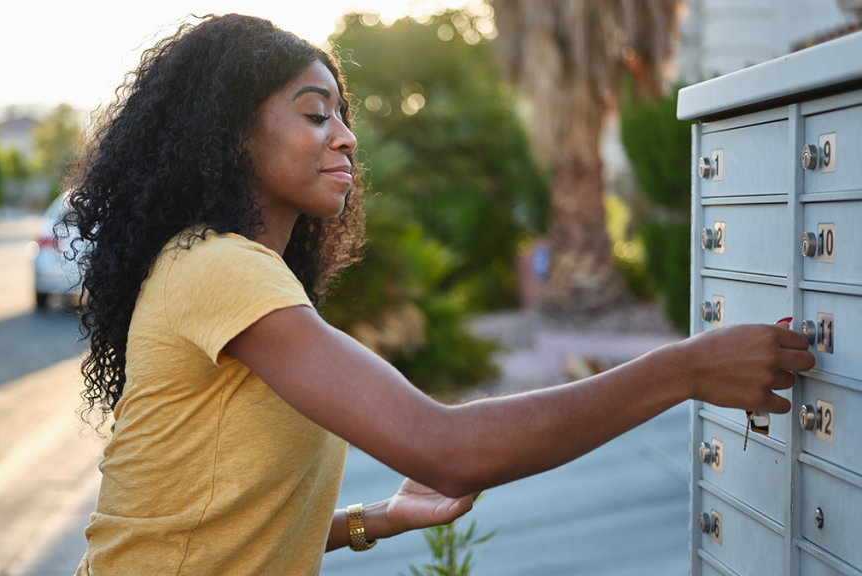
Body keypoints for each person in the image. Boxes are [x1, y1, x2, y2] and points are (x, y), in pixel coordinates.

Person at [62, 13, 814, 576]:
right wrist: (683, 371)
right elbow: (446, 448)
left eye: (343, 116)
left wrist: (377, 519)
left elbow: (205, 516)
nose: (346, 137)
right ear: (233, 137)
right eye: (315, 114)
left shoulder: (230, 273)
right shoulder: (219, 268)